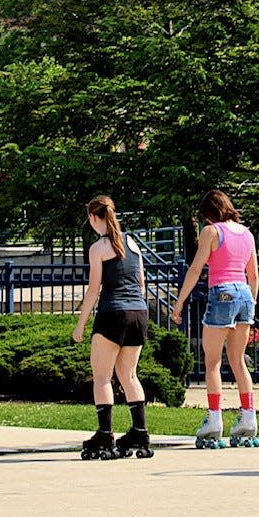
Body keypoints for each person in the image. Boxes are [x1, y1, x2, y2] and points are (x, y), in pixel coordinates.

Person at [170, 189, 259, 448]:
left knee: (212, 363)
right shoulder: (247, 234)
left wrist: (179, 303)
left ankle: (214, 419)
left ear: (209, 213)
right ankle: (248, 417)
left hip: (221, 293)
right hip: (244, 293)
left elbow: (196, 269)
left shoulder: (211, 232)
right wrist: (250, 303)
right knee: (238, 361)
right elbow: (253, 276)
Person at [73, 195, 153, 459]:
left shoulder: (98, 248)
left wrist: (81, 324)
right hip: (138, 313)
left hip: (112, 314)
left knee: (103, 377)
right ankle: (140, 432)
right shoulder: (133, 243)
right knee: (129, 375)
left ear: (94, 218)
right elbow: (141, 283)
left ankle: (105, 435)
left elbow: (93, 289)